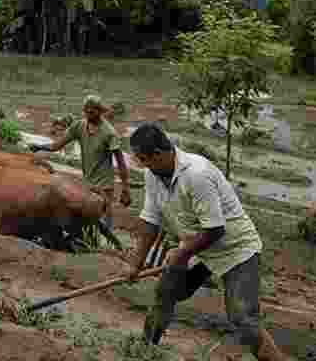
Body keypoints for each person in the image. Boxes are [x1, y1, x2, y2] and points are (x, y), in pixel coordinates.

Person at [123, 123, 287, 360]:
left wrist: (182, 254)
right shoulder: (153, 175)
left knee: (242, 317)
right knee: (165, 292)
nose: (143, 166)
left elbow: (215, 229)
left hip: (234, 249)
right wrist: (135, 263)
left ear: (158, 155)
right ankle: (144, 349)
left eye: (144, 160)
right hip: (197, 247)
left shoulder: (196, 174)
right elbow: (151, 219)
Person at [30, 94, 131, 230]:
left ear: (100, 111)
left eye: (92, 111)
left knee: (104, 219)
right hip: (87, 181)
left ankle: (106, 247)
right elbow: (57, 145)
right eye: (86, 111)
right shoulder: (79, 126)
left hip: (104, 184)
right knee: (87, 218)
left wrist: (125, 188)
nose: (88, 114)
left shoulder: (109, 133)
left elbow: (120, 162)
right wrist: (40, 147)